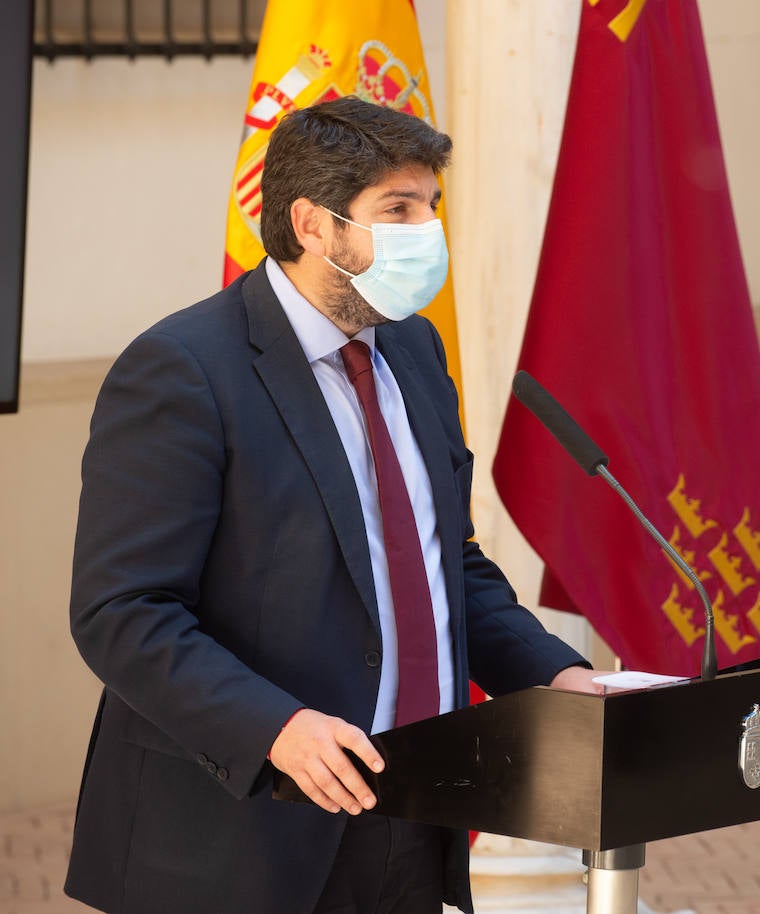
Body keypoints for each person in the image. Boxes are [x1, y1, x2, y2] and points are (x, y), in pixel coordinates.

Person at [64, 96, 602, 914]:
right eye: (399, 209)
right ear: (313, 224)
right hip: (246, 824)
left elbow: (441, 561)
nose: (428, 231)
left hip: (414, 802)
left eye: (431, 205)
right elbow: (123, 610)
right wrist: (274, 726)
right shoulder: (181, 370)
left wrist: (554, 673)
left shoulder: (415, 349)